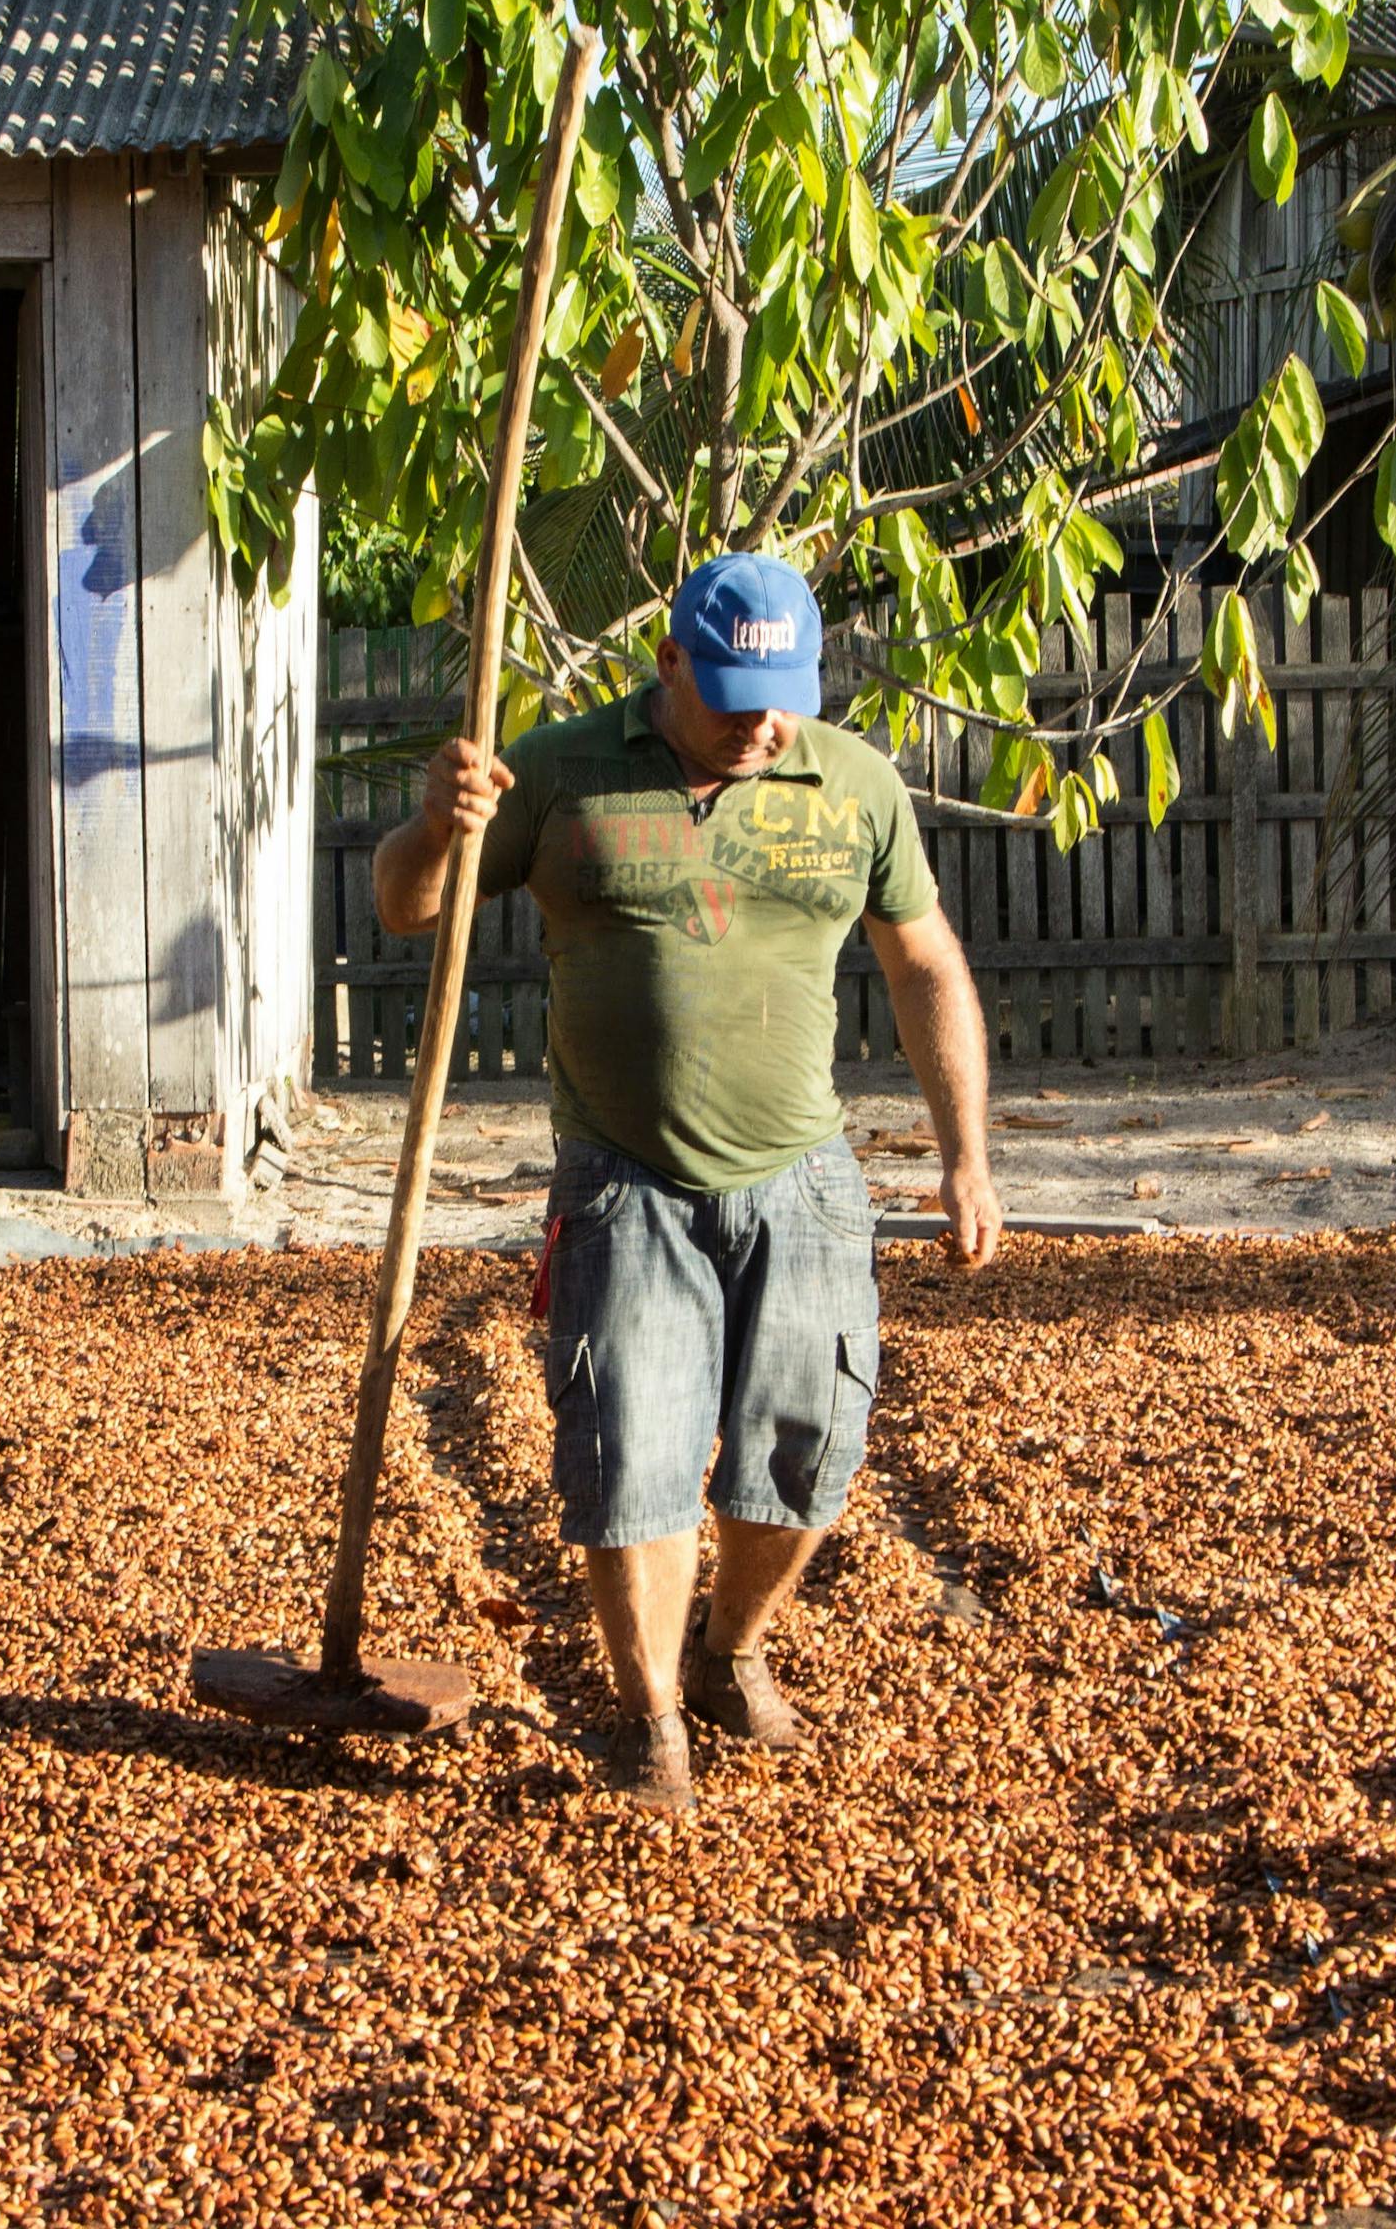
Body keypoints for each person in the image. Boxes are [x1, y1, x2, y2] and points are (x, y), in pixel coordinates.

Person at [370, 552, 999, 1819]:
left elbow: (926, 961)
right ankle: (652, 1715)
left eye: (781, 697)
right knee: (630, 1459)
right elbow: (405, 908)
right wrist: (438, 823)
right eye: (730, 698)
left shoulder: (852, 781)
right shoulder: (555, 771)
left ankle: (729, 1648)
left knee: (807, 1451)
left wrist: (967, 1153)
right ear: (667, 667)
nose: (761, 724)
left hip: (803, 1178)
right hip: (624, 1179)